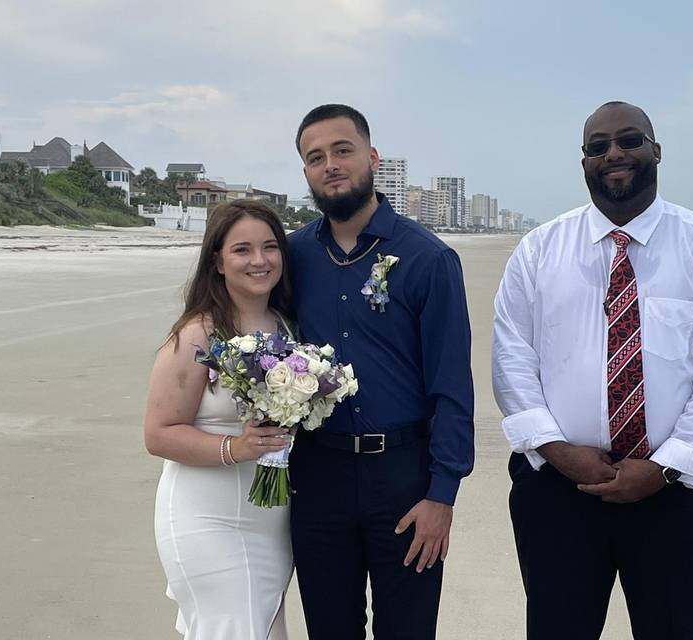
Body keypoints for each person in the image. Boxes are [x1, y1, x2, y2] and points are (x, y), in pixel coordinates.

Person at [492, 101, 693, 640]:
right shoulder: (538, 251)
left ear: (655, 150)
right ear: (584, 161)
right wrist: (557, 451)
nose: (614, 153)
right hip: (557, 489)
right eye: (598, 146)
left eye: (629, 140)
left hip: (673, 491)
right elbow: (511, 356)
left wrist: (666, 465)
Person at [286, 104, 475, 639]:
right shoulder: (292, 256)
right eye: (315, 157)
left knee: (408, 630)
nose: (331, 165)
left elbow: (452, 388)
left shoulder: (427, 259)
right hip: (317, 476)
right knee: (329, 628)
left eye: (342, 150)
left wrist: (442, 495)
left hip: (404, 479)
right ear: (306, 172)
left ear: (371, 157)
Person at [144, 199, 298, 639]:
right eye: (242, 250)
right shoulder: (198, 332)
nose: (259, 260)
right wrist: (237, 448)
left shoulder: (287, 328)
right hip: (205, 518)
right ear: (217, 260)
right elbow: (158, 434)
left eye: (270, 247)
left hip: (270, 522)